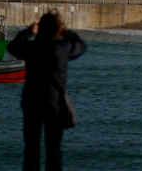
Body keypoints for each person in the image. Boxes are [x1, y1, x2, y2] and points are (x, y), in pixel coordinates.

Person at [7, 11, 87, 171]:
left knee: (31, 151)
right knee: (54, 150)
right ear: (57, 29)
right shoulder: (62, 50)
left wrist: (28, 32)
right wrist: (66, 31)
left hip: (32, 103)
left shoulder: (31, 48)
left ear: (40, 29)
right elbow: (81, 45)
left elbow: (12, 47)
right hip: (55, 105)